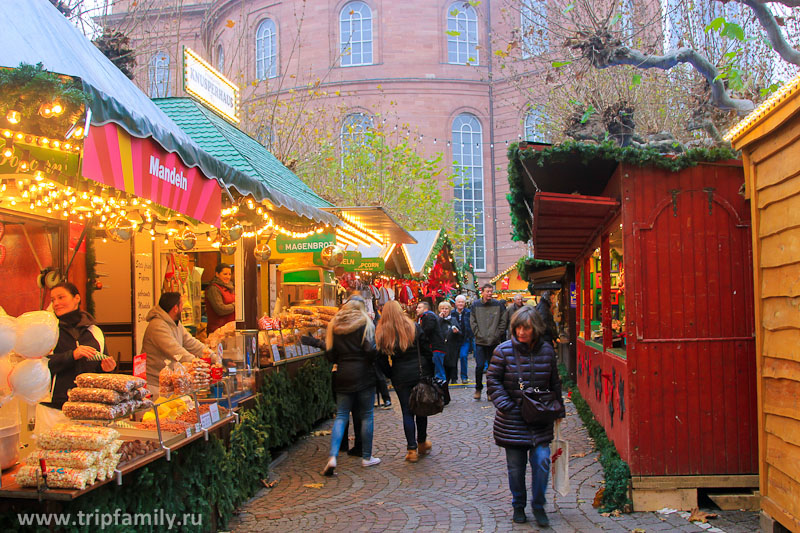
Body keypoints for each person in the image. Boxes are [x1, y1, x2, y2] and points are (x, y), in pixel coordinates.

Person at [487, 305, 565, 527]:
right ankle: (518, 505)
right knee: (516, 468)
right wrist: (508, 406)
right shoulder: (503, 351)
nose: (522, 332)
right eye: (519, 328)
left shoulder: (547, 351)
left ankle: (538, 505)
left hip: (540, 419)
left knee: (541, 462)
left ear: (535, 329)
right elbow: (492, 382)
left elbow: (554, 381)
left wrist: (558, 410)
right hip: (512, 420)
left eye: (527, 328)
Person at [36, 282, 116, 434]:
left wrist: (106, 369)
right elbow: (39, 366)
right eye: (53, 300)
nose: (56, 303)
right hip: (54, 409)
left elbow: (100, 370)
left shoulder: (94, 331)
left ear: (77, 298)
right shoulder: (47, 331)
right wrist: (72, 355)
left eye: (61, 297)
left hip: (88, 409)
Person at [322, 296, 381, 476]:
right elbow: (370, 350)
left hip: (342, 374)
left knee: (340, 416)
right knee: (367, 416)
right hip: (363, 374)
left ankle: (332, 457)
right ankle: (366, 457)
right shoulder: (365, 323)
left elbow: (330, 355)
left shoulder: (334, 325)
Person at [376, 300, 434, 463]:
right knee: (421, 408)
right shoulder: (413, 326)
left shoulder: (382, 331)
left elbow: (379, 359)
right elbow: (426, 350)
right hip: (418, 372)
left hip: (400, 375)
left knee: (407, 411)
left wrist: (391, 373)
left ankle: (411, 449)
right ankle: (422, 442)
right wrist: (430, 369)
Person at [142, 292, 210, 393]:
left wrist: (211, 355)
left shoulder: (175, 323)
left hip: (171, 383)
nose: (183, 309)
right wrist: (199, 365)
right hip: (156, 385)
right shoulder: (158, 326)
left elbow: (191, 342)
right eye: (181, 305)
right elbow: (176, 351)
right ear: (175, 308)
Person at [470, 284, 507, 400]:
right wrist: (478, 333)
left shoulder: (498, 305)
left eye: (491, 291)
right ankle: (478, 388)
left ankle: (490, 391)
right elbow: (473, 321)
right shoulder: (475, 305)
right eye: (487, 291)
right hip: (480, 341)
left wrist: (497, 333)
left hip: (494, 341)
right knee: (480, 366)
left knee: (492, 368)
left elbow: (503, 320)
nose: (490, 293)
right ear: (482, 292)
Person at [416, 301, 446, 382]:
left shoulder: (428, 317)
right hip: (436, 347)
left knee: (439, 370)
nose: (417, 309)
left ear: (425, 309)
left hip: (436, 347)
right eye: (417, 307)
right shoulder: (427, 316)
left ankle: (441, 387)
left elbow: (426, 331)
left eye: (419, 308)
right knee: (438, 368)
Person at [205, 264, 235, 334]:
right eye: (225, 274)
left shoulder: (230, 288)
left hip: (229, 330)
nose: (228, 277)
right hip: (217, 331)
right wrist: (235, 306)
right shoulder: (214, 289)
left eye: (229, 274)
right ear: (217, 274)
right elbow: (220, 309)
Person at [450, 295, 473, 384]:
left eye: (462, 302)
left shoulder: (469, 312)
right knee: (454, 358)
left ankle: (464, 377)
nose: (460, 304)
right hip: (454, 339)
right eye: (459, 302)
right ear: (455, 303)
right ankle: (454, 378)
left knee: (463, 356)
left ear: (464, 303)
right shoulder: (452, 313)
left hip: (465, 339)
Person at [437, 301, 460, 387]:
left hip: (452, 346)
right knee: (443, 365)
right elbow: (435, 330)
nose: (444, 310)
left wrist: (456, 332)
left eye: (446, 309)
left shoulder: (453, 319)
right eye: (442, 308)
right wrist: (440, 319)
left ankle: (453, 378)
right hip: (442, 347)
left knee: (452, 364)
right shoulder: (438, 319)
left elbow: (460, 334)